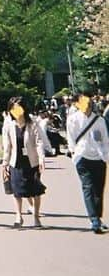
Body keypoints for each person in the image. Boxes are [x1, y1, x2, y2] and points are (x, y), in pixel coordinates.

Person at [66, 89, 109, 234]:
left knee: (98, 189)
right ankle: (94, 219)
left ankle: (98, 216)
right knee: (88, 187)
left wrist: (106, 156)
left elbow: (105, 140)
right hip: (82, 157)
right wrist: (74, 154)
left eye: (89, 102)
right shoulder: (72, 119)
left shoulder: (99, 120)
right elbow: (70, 139)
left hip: (99, 158)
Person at [1, 95, 47, 228]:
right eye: (13, 108)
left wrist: (41, 158)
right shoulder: (9, 125)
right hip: (16, 162)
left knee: (36, 190)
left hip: (32, 162)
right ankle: (18, 216)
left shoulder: (32, 122)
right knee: (17, 191)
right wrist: (5, 163)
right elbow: (7, 146)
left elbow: (39, 141)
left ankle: (36, 217)